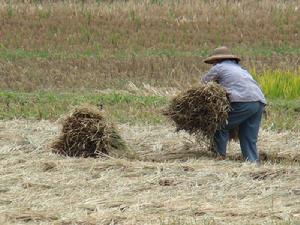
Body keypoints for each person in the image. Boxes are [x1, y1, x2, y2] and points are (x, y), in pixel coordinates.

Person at [202, 46, 266, 162]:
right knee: (248, 135)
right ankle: (252, 162)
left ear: (216, 60)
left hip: (242, 101)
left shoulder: (219, 67)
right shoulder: (240, 69)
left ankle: (219, 157)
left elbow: (204, 83)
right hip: (259, 101)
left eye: (213, 62)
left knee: (219, 125)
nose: (212, 65)